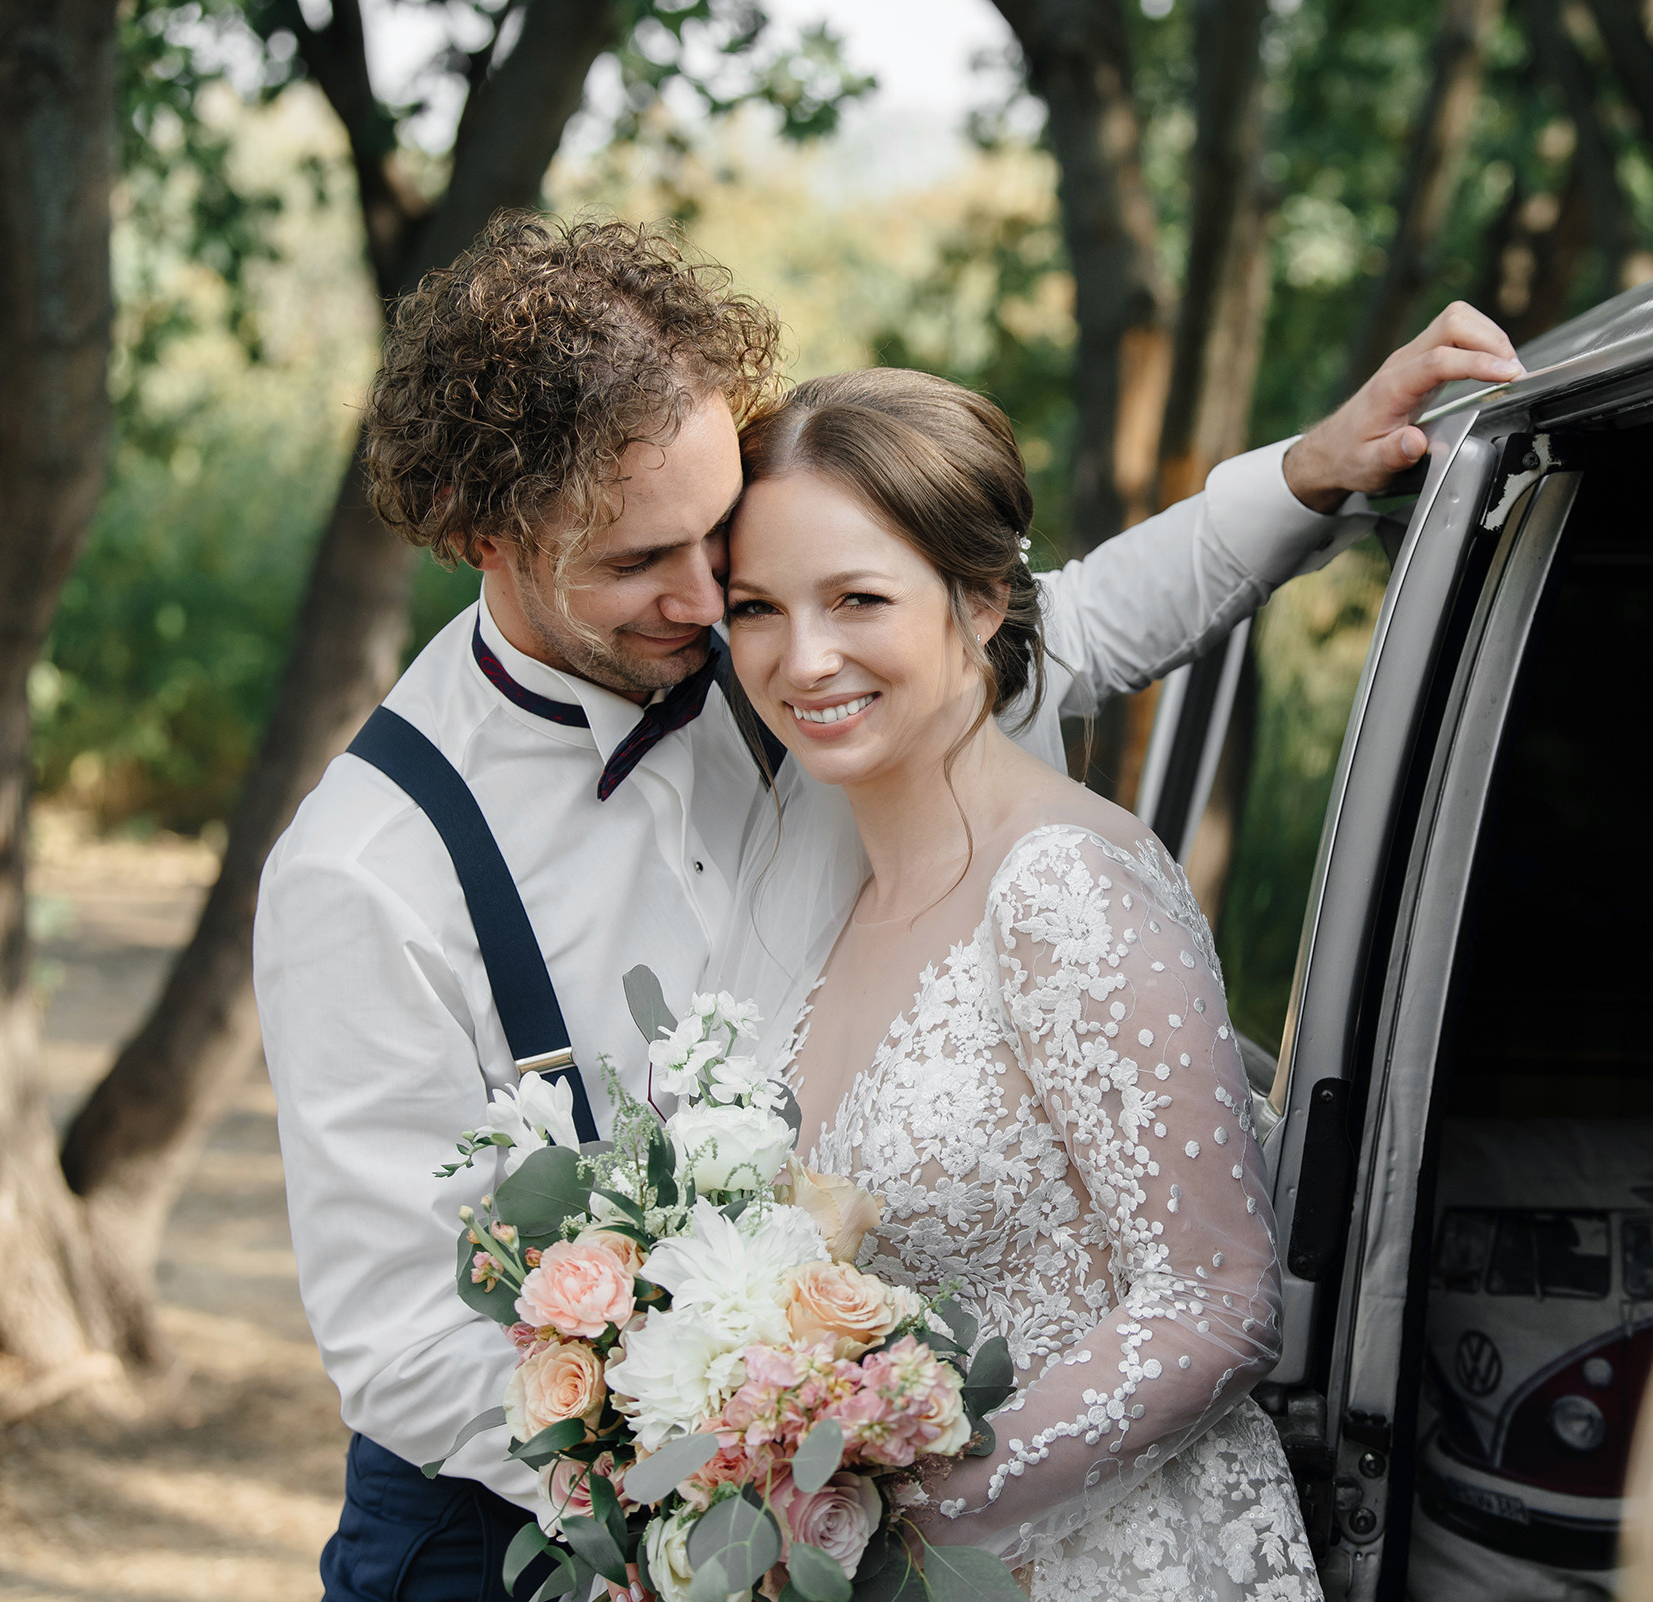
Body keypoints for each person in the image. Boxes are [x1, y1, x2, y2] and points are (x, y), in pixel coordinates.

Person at [251, 210, 1520, 1602]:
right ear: (479, 538)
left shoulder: (776, 646)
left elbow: (1052, 627)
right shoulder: (368, 871)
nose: (704, 600)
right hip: (502, 1533)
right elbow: (397, 1334)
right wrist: (712, 1501)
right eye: (637, 564)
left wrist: (1306, 476)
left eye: (716, 538)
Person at [721, 365, 1313, 1598]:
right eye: (757, 608)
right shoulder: (821, 896)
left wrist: (901, 1534)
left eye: (857, 598)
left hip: (1094, 1560)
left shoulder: (1060, 890)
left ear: (984, 598)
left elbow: (1218, 1301)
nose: (804, 656)